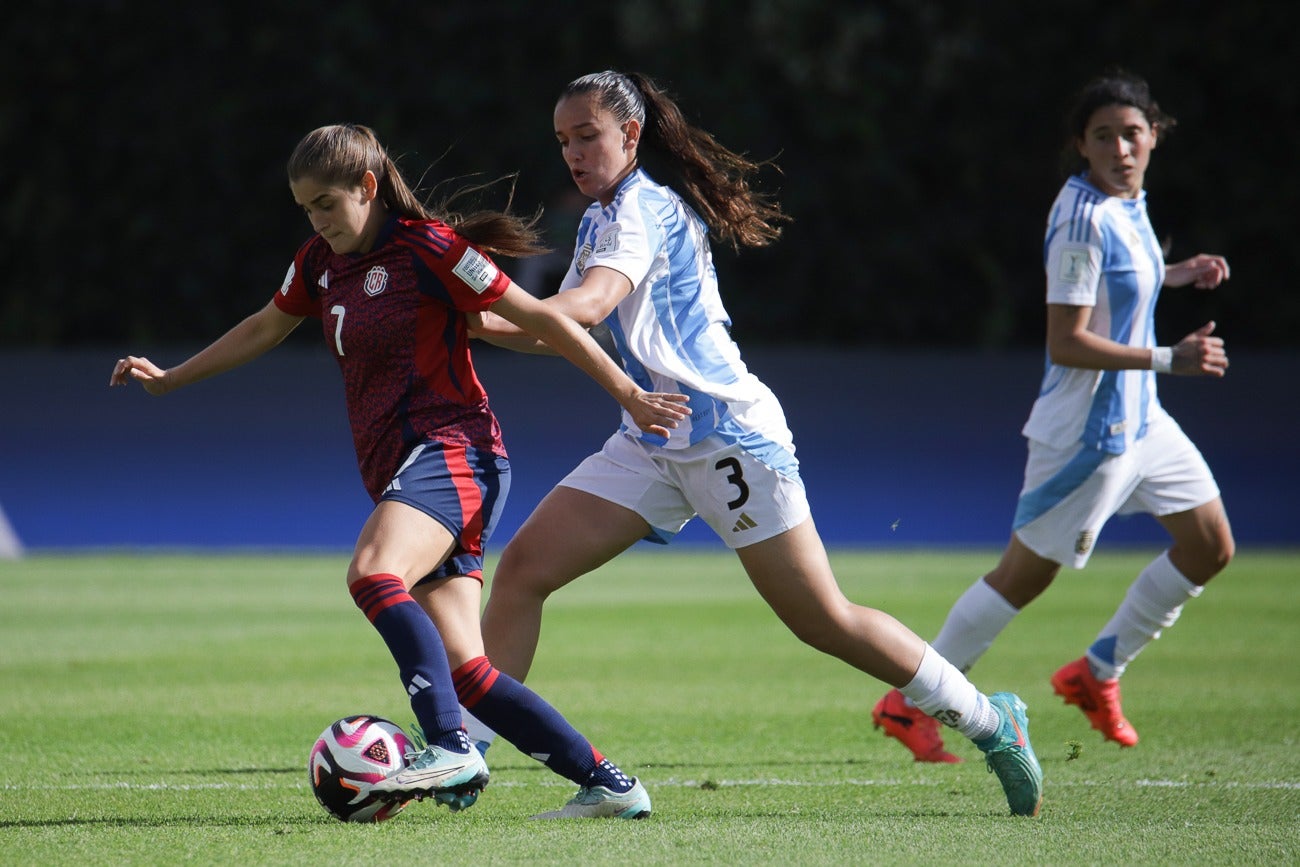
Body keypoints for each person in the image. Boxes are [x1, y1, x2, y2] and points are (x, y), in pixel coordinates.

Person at [464, 70, 1043, 817]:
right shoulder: (600, 220)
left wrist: (483, 296)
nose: (573, 152)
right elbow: (562, 329)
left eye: (587, 135)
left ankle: (993, 721)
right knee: (523, 574)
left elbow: (588, 305)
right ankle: (468, 754)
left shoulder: (641, 209)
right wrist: (475, 323)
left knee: (822, 619)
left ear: (630, 136)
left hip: (727, 435)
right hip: (652, 436)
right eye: (562, 140)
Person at [109, 123, 690, 819]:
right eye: (306, 209)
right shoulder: (319, 263)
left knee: (373, 573)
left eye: (328, 203)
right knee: (469, 672)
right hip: (409, 466)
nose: (319, 221)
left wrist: (626, 392)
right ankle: (610, 784)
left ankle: (447, 744)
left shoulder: (432, 249)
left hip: (455, 450)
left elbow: (540, 318)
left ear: (367, 186)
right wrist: (173, 378)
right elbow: (265, 324)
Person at [872, 70, 1234, 763]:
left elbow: (1119, 275)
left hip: (1142, 422)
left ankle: (1097, 671)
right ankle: (907, 700)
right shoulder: (1080, 215)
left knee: (1210, 544)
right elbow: (1066, 339)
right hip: (1087, 434)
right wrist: (1169, 358)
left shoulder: (1128, 202)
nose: (1121, 148)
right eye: (1105, 137)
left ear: (1154, 136)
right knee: (1023, 576)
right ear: (1082, 145)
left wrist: (1172, 272)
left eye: (1133, 133)